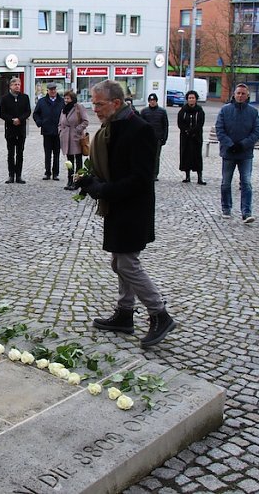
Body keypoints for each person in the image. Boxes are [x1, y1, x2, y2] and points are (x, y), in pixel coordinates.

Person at [76, 80, 175, 348]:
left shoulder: (140, 129)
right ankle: (124, 313)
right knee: (119, 262)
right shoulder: (111, 128)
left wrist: (103, 189)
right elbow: (111, 168)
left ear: (116, 103)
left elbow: (141, 179)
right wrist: (89, 180)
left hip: (133, 209)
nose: (95, 109)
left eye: (99, 104)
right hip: (118, 207)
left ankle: (160, 314)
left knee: (127, 264)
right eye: (93, 104)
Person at [216, 83, 259, 223]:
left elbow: (256, 132)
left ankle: (246, 212)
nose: (240, 96)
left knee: (246, 182)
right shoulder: (225, 110)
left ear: (247, 96)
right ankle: (226, 208)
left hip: (245, 153)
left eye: (243, 94)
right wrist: (230, 144)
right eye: (238, 93)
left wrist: (243, 144)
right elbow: (220, 129)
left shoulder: (253, 112)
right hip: (228, 152)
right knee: (226, 182)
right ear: (234, 94)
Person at [0, 77, 31, 183]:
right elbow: (2, 113)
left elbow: (28, 111)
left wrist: (20, 119)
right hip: (10, 129)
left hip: (21, 129)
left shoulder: (25, 97)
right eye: (15, 84)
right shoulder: (5, 98)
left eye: (18, 84)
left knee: (20, 153)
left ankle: (19, 176)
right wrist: (11, 120)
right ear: (11, 86)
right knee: (11, 154)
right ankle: (11, 175)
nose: (17, 86)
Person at [58, 89, 89, 190]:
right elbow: (60, 122)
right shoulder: (64, 109)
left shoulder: (79, 107)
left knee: (78, 160)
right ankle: (70, 180)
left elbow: (85, 121)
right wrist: (60, 131)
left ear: (73, 99)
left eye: (68, 98)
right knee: (69, 161)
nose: (66, 100)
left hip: (76, 138)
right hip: (66, 138)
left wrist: (77, 129)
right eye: (65, 98)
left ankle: (78, 181)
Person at [33, 82, 64, 180]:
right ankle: (47, 172)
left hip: (58, 131)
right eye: (51, 90)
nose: (53, 91)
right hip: (47, 131)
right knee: (47, 153)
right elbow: (36, 114)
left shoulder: (62, 101)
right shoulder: (42, 101)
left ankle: (55, 173)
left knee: (56, 154)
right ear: (48, 91)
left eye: (54, 89)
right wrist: (40, 122)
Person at [177, 90, 205, 184]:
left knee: (197, 156)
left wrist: (193, 131)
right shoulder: (183, 111)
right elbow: (180, 123)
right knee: (186, 155)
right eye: (189, 98)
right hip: (185, 137)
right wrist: (187, 131)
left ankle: (199, 177)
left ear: (196, 99)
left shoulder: (199, 111)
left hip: (196, 137)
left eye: (193, 98)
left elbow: (200, 123)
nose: (191, 99)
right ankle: (187, 176)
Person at [140, 93, 169, 181]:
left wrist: (164, 138)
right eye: (151, 100)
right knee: (146, 157)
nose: (152, 102)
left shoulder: (162, 112)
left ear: (156, 101)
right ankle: (146, 172)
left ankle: (155, 174)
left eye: (154, 100)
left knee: (156, 157)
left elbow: (165, 125)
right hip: (147, 139)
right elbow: (141, 126)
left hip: (157, 138)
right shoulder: (144, 112)